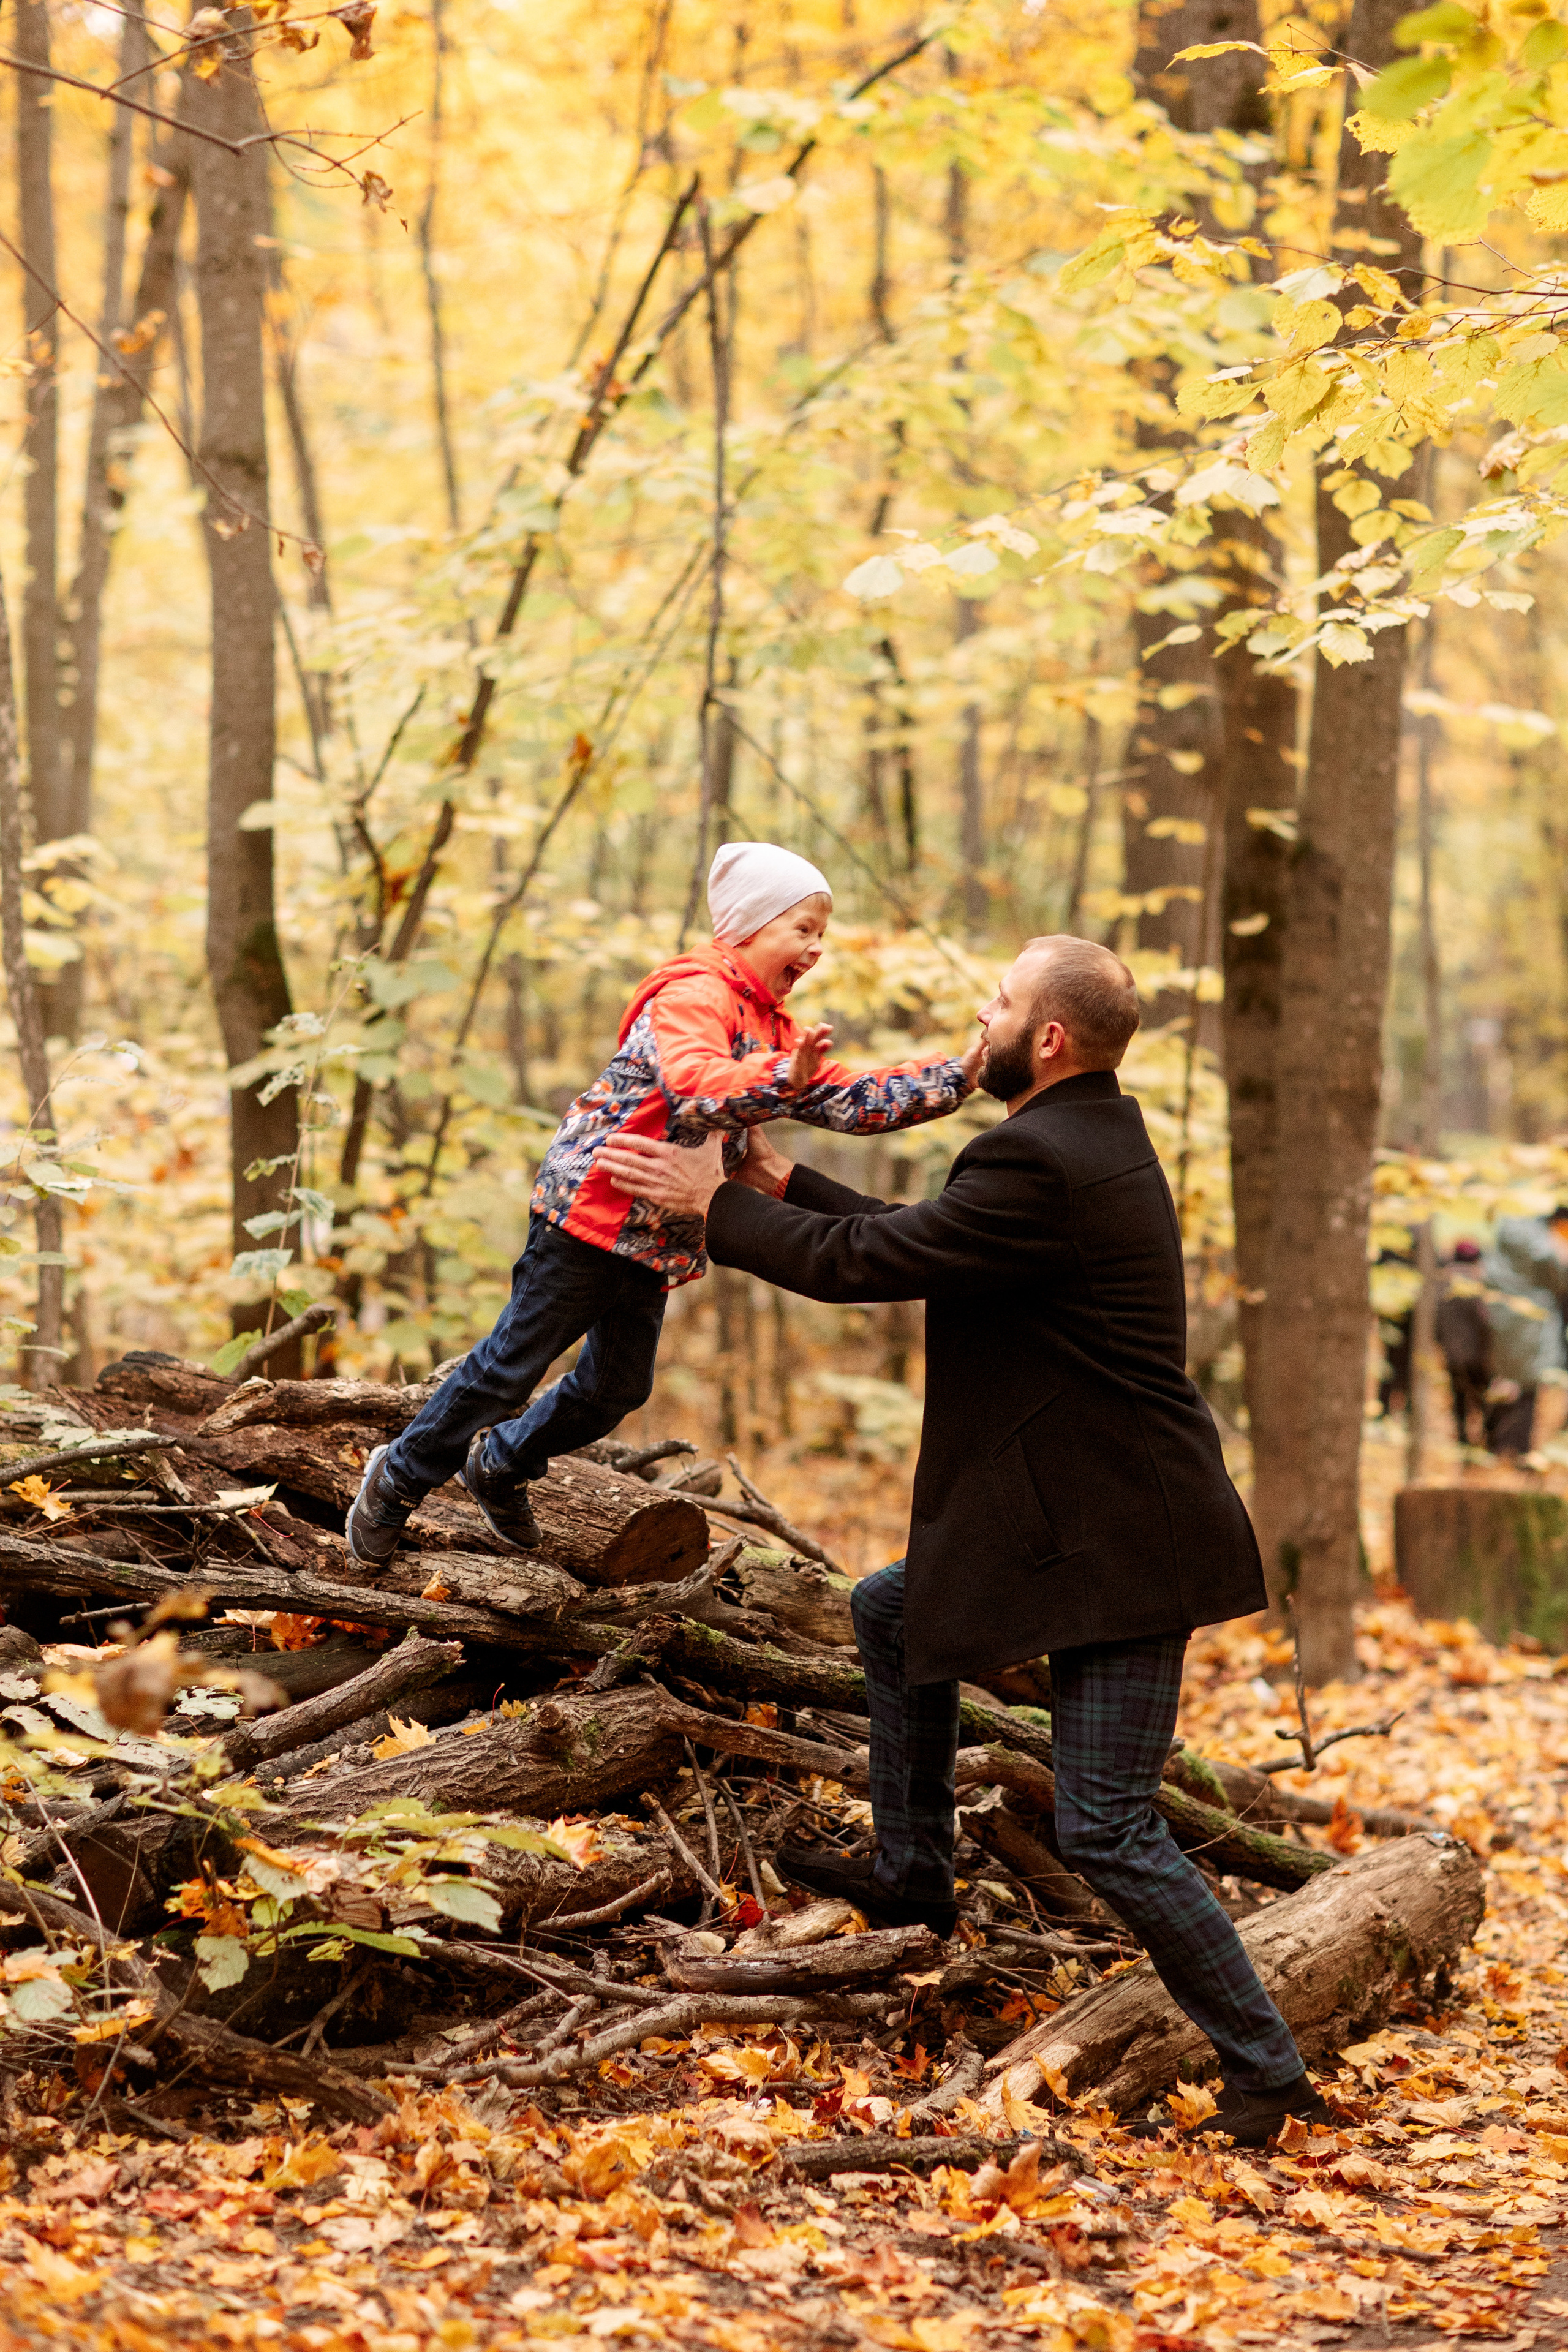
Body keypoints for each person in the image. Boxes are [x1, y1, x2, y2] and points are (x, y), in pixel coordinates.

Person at [598, 933, 1332, 2150]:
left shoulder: (1039, 1156)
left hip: (1124, 1541)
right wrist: (787, 1188)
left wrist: (715, 1206)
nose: (976, 1020)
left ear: (1045, 1038)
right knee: (890, 1612)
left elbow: (872, 1267)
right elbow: (934, 1238)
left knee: (1106, 1828)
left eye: (996, 1004)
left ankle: (1270, 2074)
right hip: (1081, 1523)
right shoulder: (1078, 1142)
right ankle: (912, 1872)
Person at [345, 842, 981, 1564]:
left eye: (822, 935)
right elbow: (696, 1083)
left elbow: (845, 1100)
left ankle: (499, 1462)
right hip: (592, 1212)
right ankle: (396, 1476)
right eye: (802, 929)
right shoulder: (693, 996)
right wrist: (783, 1078)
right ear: (749, 923)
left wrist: (960, 1076)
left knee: (616, 1388)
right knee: (508, 1367)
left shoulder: (772, 1029)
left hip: (657, 1231)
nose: (816, 949)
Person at [1475, 1208, 1568, 1458]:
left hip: (1506, 1316)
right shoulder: (1533, 1235)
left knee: (1508, 1382)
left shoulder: (1511, 1225)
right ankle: (1511, 1450)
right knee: (1523, 1385)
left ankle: (1498, 1447)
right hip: (1527, 1322)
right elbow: (1559, 1270)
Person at [1434, 1238, 1490, 1447]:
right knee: (1481, 1395)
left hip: (1452, 1351)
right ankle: (1485, 1438)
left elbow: (1435, 1321)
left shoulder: (1441, 1283)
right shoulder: (1478, 1285)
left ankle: (1463, 1438)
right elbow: (1484, 1321)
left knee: (1458, 1394)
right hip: (1476, 1354)